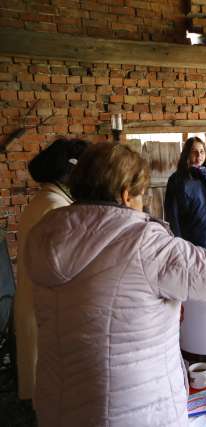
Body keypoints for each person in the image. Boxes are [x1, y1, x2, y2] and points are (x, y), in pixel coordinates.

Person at [24, 143, 206, 426]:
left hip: (59, 405)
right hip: (134, 410)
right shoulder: (142, 240)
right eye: (141, 196)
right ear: (125, 194)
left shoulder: (44, 233)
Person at [15, 138, 89, 402]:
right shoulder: (56, 208)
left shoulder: (45, 199)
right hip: (46, 314)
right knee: (55, 397)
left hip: (35, 306)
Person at [164, 136, 206, 249]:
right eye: (194, 152)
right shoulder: (177, 181)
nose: (199, 156)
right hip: (192, 245)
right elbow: (172, 217)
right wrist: (179, 246)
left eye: (202, 151)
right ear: (186, 154)